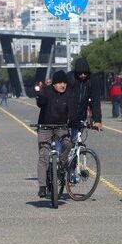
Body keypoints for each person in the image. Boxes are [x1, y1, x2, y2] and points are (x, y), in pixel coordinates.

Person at [35, 70, 75, 198]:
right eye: (59, 83)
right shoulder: (46, 91)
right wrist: (40, 97)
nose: (62, 85)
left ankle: (61, 164)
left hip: (61, 127)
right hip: (45, 127)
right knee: (44, 156)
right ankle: (42, 186)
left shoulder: (69, 93)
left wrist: (75, 121)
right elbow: (40, 102)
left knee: (68, 144)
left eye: (64, 83)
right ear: (53, 84)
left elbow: (73, 111)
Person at [67, 58, 103, 140]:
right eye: (80, 73)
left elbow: (95, 101)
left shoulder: (92, 80)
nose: (83, 75)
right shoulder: (69, 78)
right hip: (66, 115)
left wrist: (97, 120)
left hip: (81, 115)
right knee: (64, 142)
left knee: (75, 140)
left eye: (85, 73)